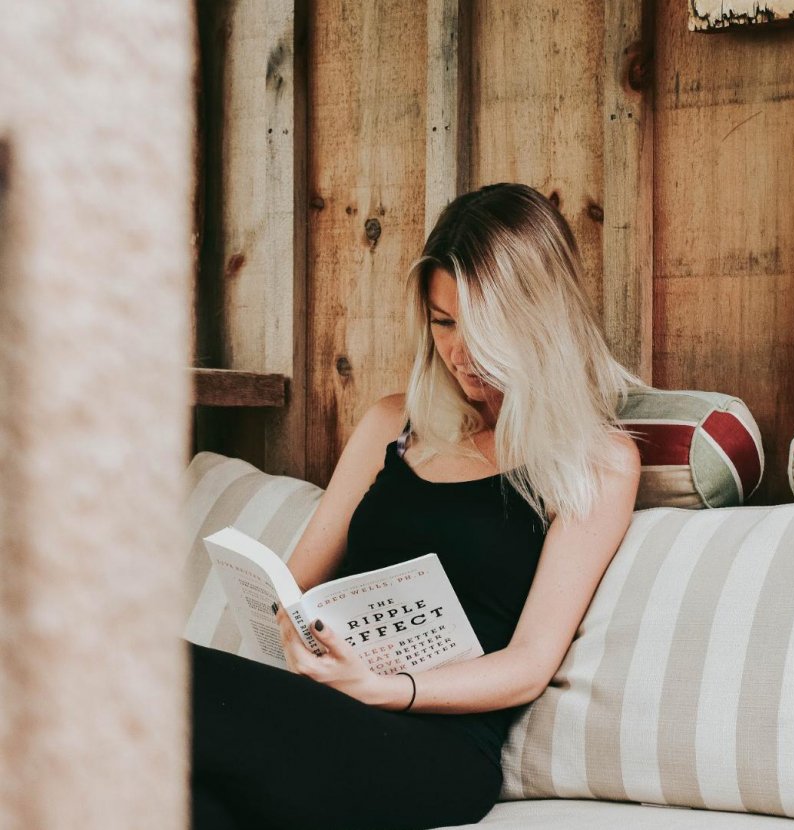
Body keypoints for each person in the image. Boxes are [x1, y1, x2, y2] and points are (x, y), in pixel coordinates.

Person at [190, 182, 643, 830]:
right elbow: (296, 586)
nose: (459, 351)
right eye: (443, 321)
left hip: (438, 750)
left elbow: (528, 665)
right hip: (324, 713)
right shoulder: (390, 425)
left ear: (540, 319)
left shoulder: (593, 460)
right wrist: (297, 633)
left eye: (483, 325)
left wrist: (386, 691)